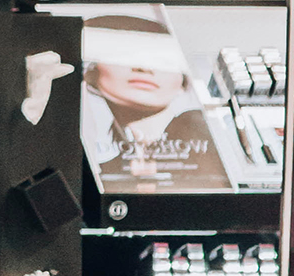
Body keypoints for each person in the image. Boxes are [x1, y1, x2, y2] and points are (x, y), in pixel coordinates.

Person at [79, 14, 226, 191]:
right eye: (123, 56)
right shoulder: (97, 158)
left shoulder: (205, 132)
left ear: (183, 81)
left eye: (161, 60)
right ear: (91, 73)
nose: (144, 68)